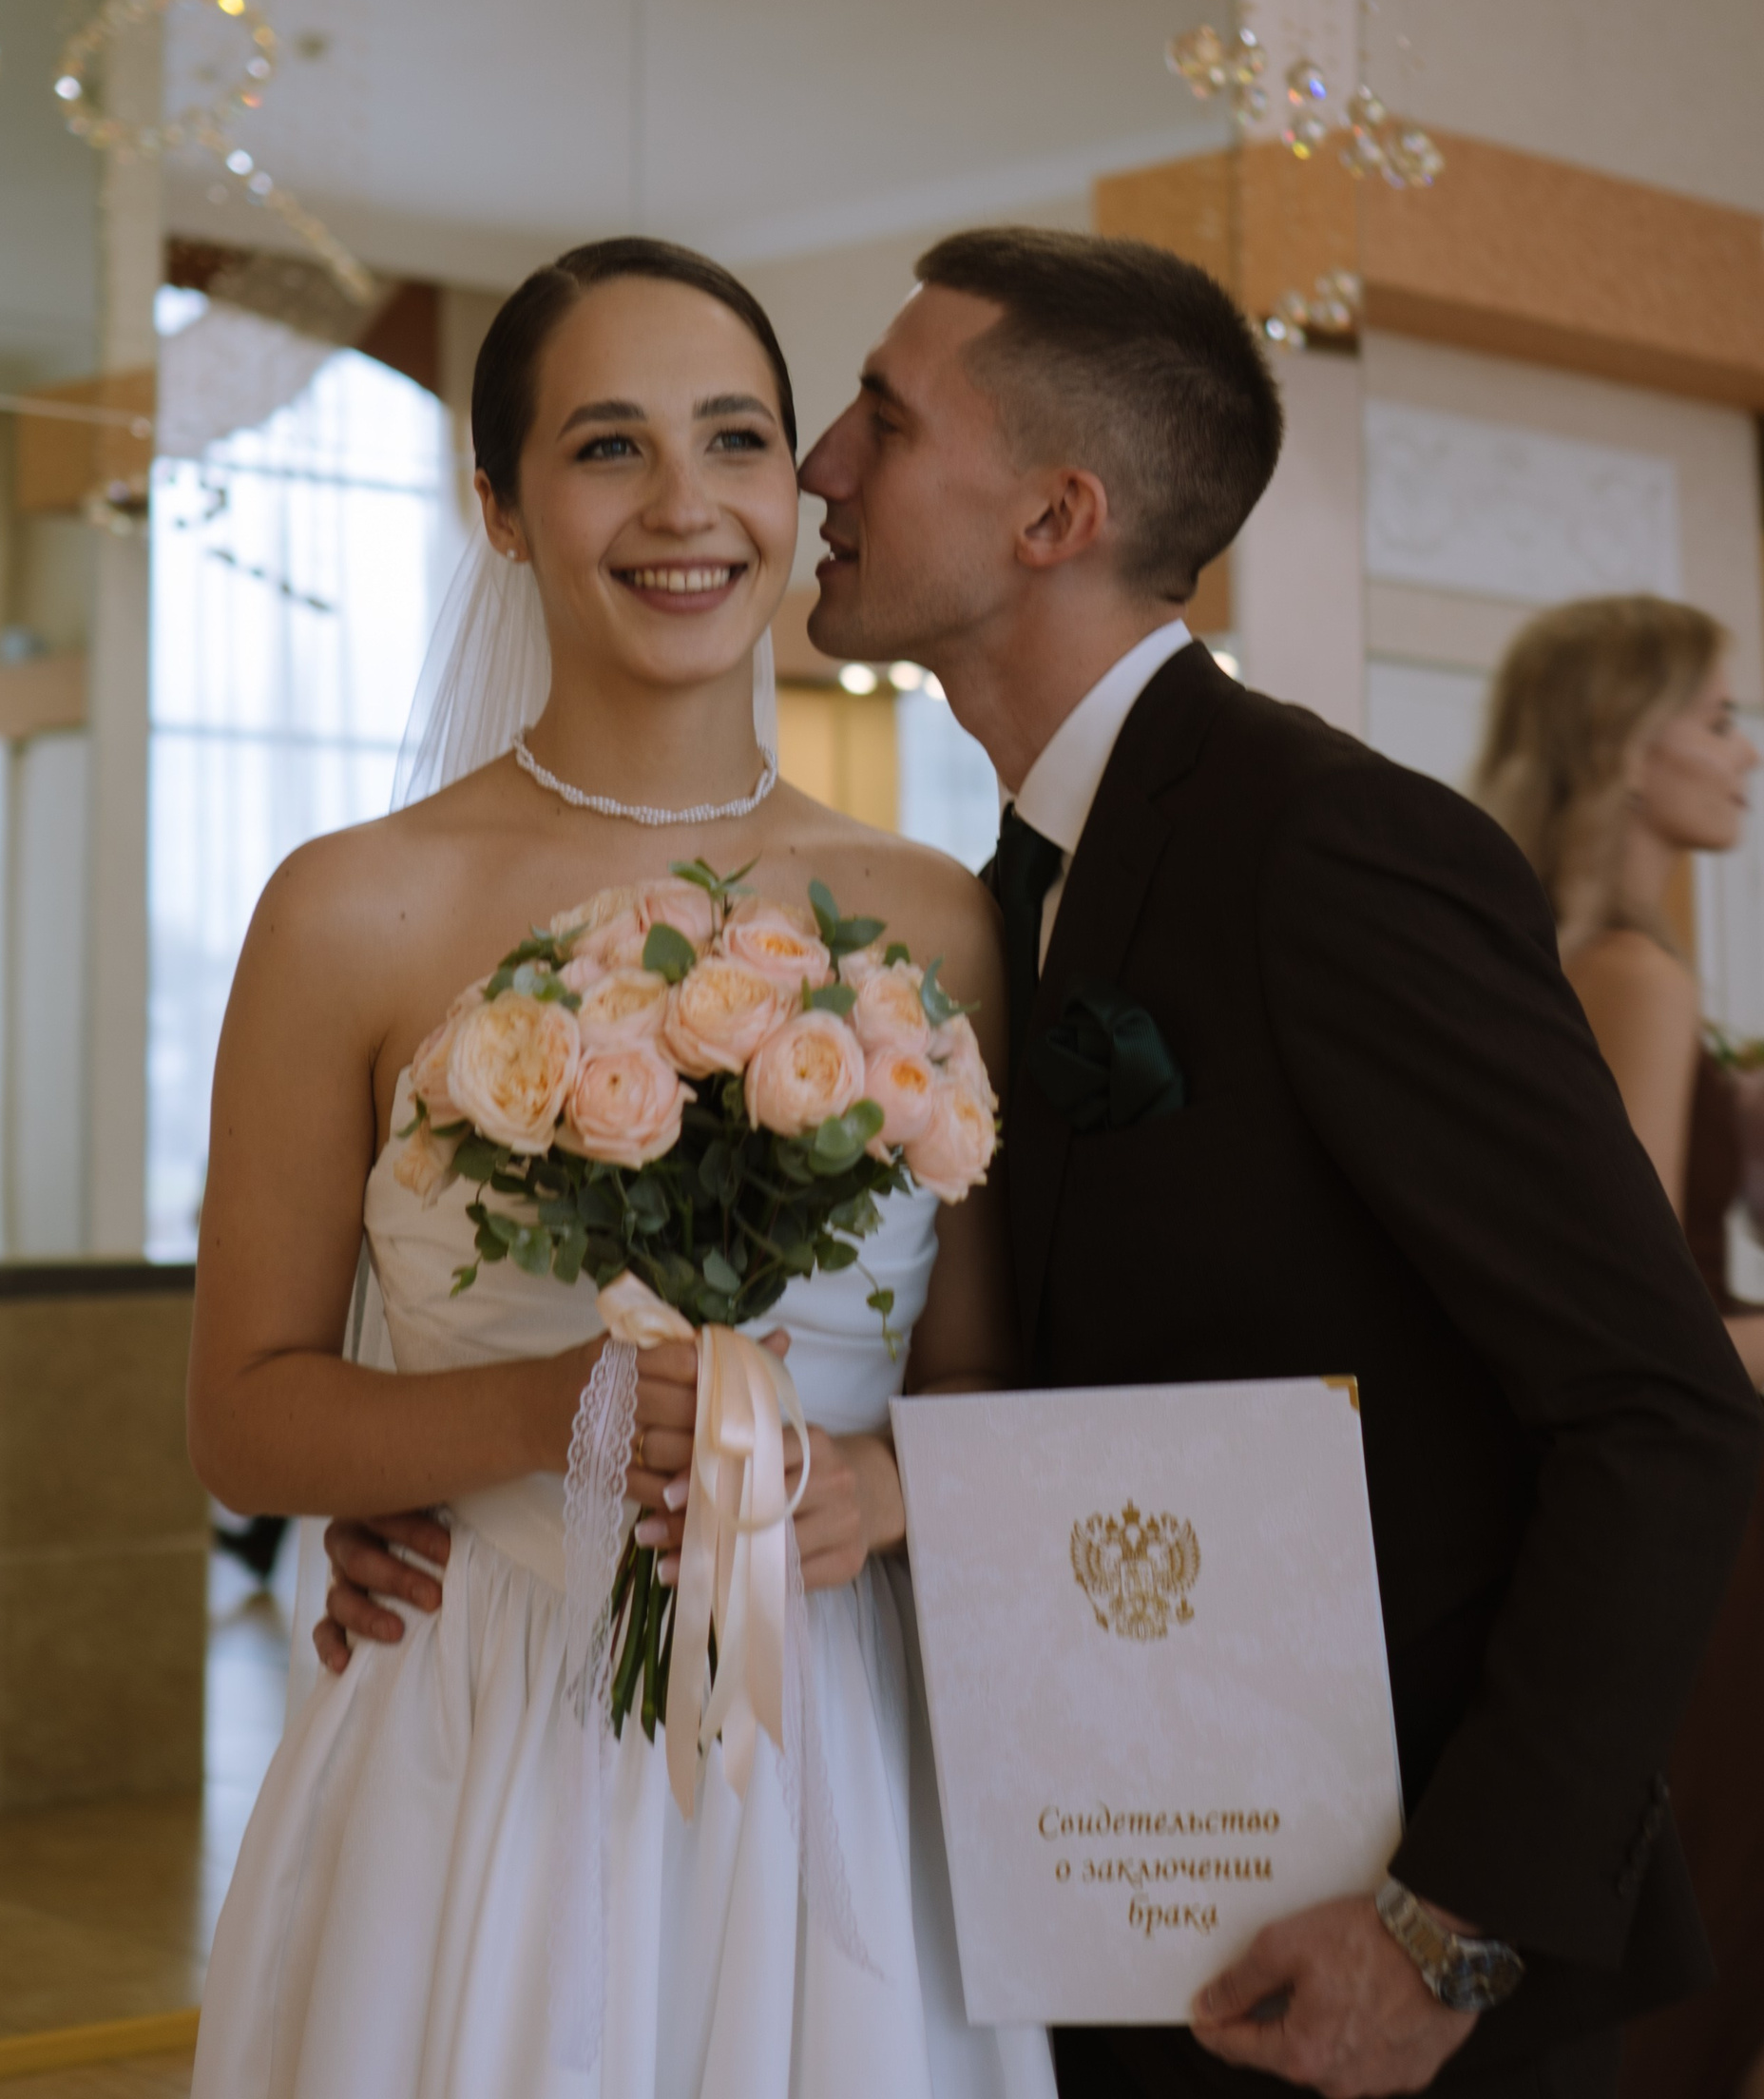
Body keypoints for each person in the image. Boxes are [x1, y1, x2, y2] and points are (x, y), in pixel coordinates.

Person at [323, 226, 1761, 2099]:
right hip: (1094, 1888)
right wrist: (492, 1477)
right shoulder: (994, 895)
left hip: (1379, 1934)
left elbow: (1660, 1410)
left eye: (884, 417)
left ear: (1053, 516)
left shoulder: (1328, 848)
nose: (819, 466)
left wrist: (1452, 1925)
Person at [185, 240, 1054, 2099]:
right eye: (606, 447)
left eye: (734, 439)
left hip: (833, 1724)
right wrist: (559, 1411)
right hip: (474, 1726)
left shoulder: (934, 918)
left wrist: (882, 1492)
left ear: (792, 486)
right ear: (498, 507)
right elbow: (246, 1417)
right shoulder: (349, 909)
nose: (684, 504)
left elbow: (976, 1376)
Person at [1476, 595, 1764, 2099]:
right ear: (1625, 742)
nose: (1746, 753)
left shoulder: (1556, 955)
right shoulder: (1636, 975)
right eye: (1718, 718)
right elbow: (1642, 1334)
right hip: (1713, 1515)